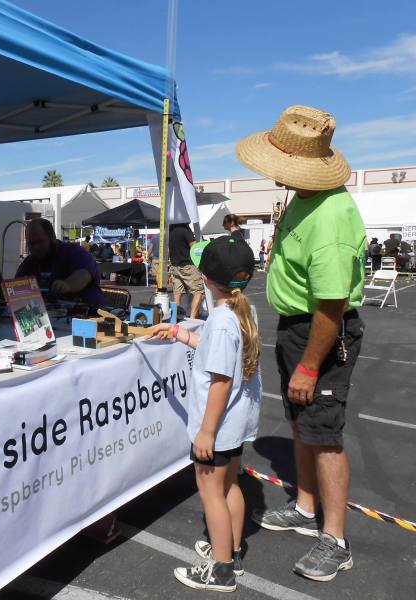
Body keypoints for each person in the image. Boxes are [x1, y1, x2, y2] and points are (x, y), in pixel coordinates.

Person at [236, 105, 365, 582]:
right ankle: (306, 507)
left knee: (324, 435)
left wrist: (312, 365)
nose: (276, 176)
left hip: (320, 331)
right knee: (300, 423)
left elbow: (331, 308)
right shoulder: (306, 196)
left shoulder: (330, 217)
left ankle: (335, 540)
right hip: (296, 328)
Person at [148, 235, 261, 593]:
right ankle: (232, 549)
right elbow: (217, 352)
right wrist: (181, 333)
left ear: (206, 279)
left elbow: (221, 380)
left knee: (211, 493)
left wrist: (206, 432)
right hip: (237, 423)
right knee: (229, 487)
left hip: (220, 427)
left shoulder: (224, 320)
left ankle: (221, 569)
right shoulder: (241, 310)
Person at [16, 218, 106, 307]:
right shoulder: (28, 263)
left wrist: (68, 285)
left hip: (90, 314)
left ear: (52, 238)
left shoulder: (74, 251)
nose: (36, 247)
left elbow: (84, 275)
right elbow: (16, 288)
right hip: (51, 317)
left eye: (40, 241)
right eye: (31, 244)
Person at [169, 222, 204, 319]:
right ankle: (192, 318)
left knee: (178, 292)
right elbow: (194, 248)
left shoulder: (170, 230)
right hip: (188, 265)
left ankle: (175, 317)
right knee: (198, 292)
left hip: (175, 266)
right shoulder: (185, 230)